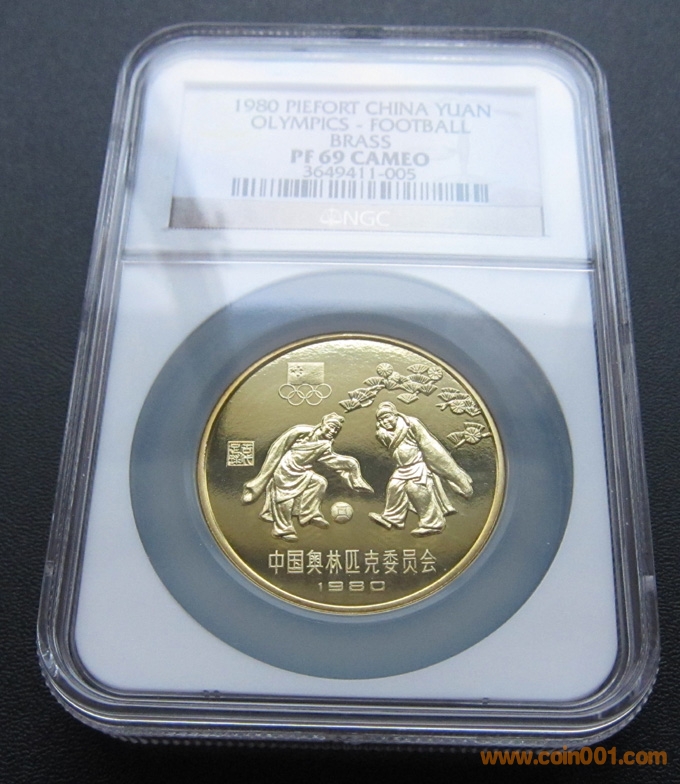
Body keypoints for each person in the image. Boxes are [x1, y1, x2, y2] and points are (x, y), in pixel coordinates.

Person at [242, 412, 372, 541]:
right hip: (285, 469)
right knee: (285, 498)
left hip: (303, 470)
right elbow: (279, 447)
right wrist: (265, 474)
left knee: (319, 482)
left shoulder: (325, 444)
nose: (333, 431)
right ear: (322, 424)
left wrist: (351, 464)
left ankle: (309, 514)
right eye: (331, 426)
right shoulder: (301, 431)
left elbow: (330, 460)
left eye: (336, 430)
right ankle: (282, 529)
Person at [369, 401, 473, 536]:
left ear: (395, 414)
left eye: (387, 417)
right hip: (402, 467)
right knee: (394, 487)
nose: (385, 422)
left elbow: (428, 445)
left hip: (417, 465)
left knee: (416, 489)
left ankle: (433, 524)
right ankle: (392, 518)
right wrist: (383, 433)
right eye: (381, 420)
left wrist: (452, 473)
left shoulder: (411, 423)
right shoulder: (385, 432)